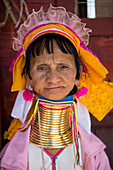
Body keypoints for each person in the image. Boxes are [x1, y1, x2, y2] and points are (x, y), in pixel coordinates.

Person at [0, 4, 113, 170]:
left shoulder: (94, 155)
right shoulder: (11, 157)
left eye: (63, 66)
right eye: (42, 67)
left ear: (78, 76)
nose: (53, 79)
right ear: (28, 77)